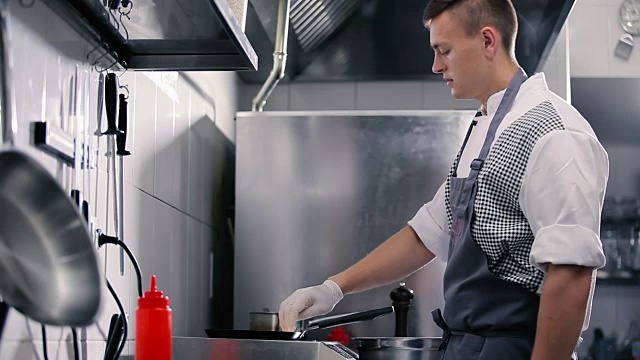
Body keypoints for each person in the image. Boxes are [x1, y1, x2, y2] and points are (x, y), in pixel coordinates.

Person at [278, 0, 609, 359]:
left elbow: (571, 273)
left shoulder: (553, 132)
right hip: (464, 346)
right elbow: (425, 234)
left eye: (444, 50)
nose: (436, 66)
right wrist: (333, 289)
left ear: (487, 41)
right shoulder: (485, 127)